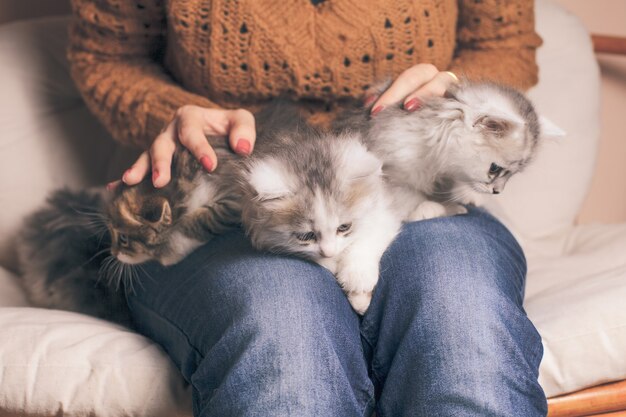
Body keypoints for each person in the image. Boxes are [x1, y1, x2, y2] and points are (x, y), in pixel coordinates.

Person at [68, 1, 547, 415]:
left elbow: (505, 42)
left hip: (417, 187)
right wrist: (187, 123)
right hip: (225, 200)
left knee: (460, 312)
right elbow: (106, 56)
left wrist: (463, 102)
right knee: (283, 330)